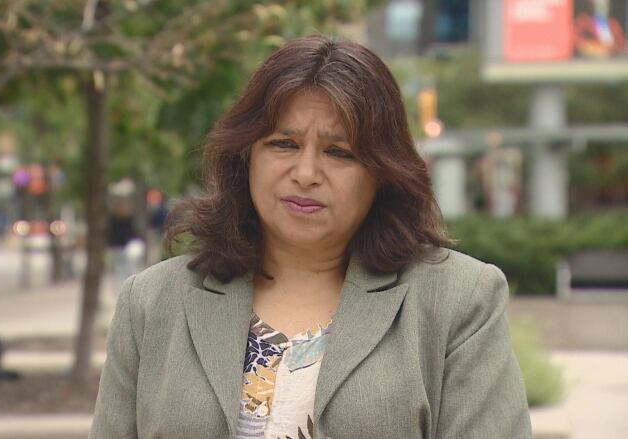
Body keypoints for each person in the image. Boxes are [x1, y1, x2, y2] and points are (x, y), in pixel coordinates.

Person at [89, 35, 531, 438]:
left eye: (339, 153)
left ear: (382, 172)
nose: (305, 174)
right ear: (246, 157)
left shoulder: (460, 300)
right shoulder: (151, 302)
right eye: (284, 144)